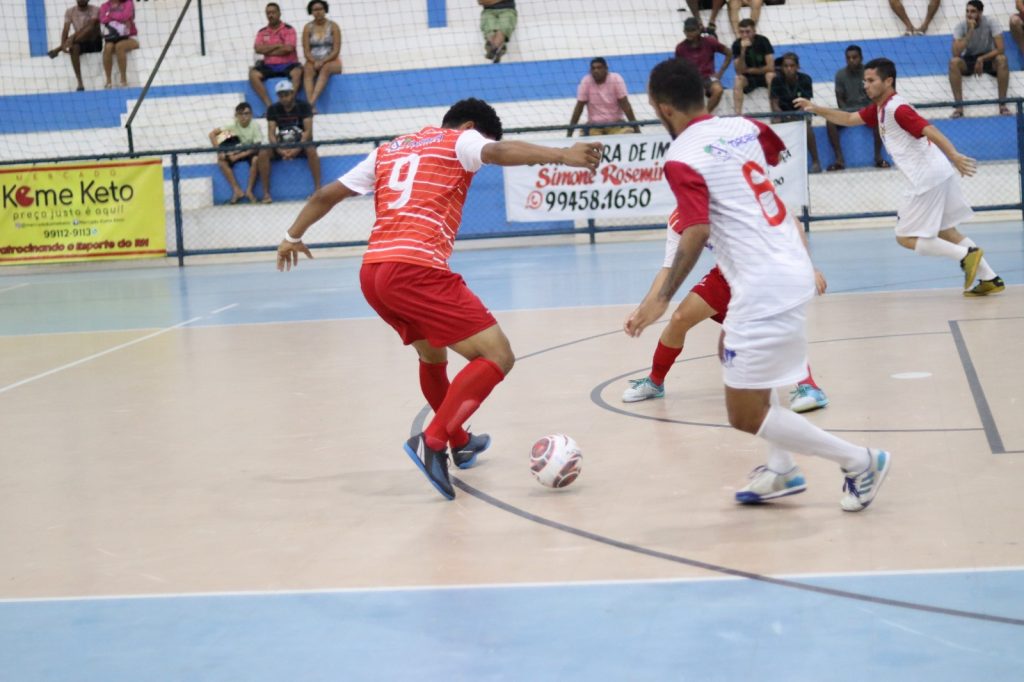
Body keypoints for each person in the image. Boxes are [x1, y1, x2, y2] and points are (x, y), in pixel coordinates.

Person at [276, 98, 602, 500]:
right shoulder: (461, 140)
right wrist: (563, 155)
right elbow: (499, 151)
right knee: (497, 355)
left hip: (373, 273)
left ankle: (460, 441)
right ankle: (432, 441)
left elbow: (326, 194)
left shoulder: (389, 149)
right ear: (470, 127)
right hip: (415, 270)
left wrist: (291, 236)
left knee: (432, 355)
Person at [627, 58, 891, 512]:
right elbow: (770, 152)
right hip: (787, 262)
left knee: (744, 414)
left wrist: (661, 299)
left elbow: (696, 230)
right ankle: (781, 467)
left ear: (663, 108)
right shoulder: (744, 125)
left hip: (763, 281)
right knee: (733, 352)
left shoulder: (680, 157)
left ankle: (861, 461)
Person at [796, 58, 1005, 296]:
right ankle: (990, 278)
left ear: (888, 81)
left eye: (871, 80)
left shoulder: (896, 108)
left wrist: (954, 155)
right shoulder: (879, 109)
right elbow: (849, 119)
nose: (866, 85)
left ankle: (966, 255)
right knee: (947, 232)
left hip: (927, 178)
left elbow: (930, 129)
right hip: (938, 173)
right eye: (865, 81)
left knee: (905, 237)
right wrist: (816, 108)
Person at [622, 209, 830, 414]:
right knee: (679, 318)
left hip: (763, 274)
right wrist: (644, 308)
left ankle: (810, 387)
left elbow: (789, 219)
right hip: (726, 277)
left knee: (774, 331)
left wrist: (806, 266)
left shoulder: (733, 200)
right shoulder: (679, 220)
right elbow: (669, 269)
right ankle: (655, 382)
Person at [827, 45, 888, 171]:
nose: (851, 60)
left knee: (879, 117)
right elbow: (840, 98)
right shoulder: (840, 75)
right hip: (848, 111)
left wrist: (867, 110)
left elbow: (875, 96)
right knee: (830, 120)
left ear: (861, 58)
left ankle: (878, 157)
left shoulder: (870, 74)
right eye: (848, 58)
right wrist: (848, 114)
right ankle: (839, 159)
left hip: (867, 110)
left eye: (854, 57)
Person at [259, 81, 320, 202]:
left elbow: (308, 132)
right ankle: (266, 193)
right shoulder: (273, 109)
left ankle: (318, 190)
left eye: (286, 94)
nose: (284, 98)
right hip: (282, 143)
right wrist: (279, 150)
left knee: (311, 150)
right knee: (263, 153)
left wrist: (296, 149)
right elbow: (271, 133)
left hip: (301, 143)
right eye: (281, 95)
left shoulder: (304, 106)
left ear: (292, 93)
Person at [949, 0, 1010, 117]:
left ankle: (1002, 105)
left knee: (1002, 59)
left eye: (973, 11)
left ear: (981, 12)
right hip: (969, 59)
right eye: (967, 11)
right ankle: (959, 107)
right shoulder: (960, 26)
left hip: (988, 57)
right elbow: (955, 53)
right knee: (953, 63)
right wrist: (970, 31)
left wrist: (981, 58)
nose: (969, 14)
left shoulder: (991, 22)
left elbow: (1001, 49)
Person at [769, 52, 821, 174]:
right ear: (782, 67)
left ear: (797, 67)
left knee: (806, 128)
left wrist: (794, 116)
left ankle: (816, 162)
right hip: (782, 114)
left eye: (792, 66)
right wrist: (783, 115)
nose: (789, 69)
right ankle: (776, 165)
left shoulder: (805, 79)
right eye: (786, 66)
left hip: (800, 113)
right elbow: (774, 104)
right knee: (774, 124)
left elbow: (806, 103)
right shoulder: (776, 80)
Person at [567, 58, 641, 136]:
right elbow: (579, 108)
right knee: (592, 140)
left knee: (628, 134)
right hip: (594, 126)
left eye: (599, 68)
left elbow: (625, 105)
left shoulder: (616, 79)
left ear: (606, 69)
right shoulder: (586, 81)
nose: (596, 71)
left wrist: (637, 129)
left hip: (615, 124)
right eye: (593, 68)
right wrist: (569, 133)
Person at [209, 102, 265, 204]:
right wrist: (219, 151)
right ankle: (237, 190)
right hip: (237, 149)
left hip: (250, 151)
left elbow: (256, 147)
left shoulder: (255, 125)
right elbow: (212, 134)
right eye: (240, 114)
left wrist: (238, 156)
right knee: (221, 161)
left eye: (246, 113)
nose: (243, 117)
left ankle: (249, 191)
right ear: (236, 116)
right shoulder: (232, 125)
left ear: (251, 115)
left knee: (256, 159)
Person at [250, 2, 303, 108]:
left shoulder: (289, 29)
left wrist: (267, 50)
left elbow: (288, 49)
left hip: (288, 64)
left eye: (273, 12)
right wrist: (278, 45)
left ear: (279, 13)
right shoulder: (262, 32)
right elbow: (258, 49)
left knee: (297, 72)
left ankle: (290, 103)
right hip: (269, 66)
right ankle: (269, 106)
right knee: (253, 74)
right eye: (268, 13)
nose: (271, 15)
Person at [675, 17, 732, 113]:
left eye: (692, 30)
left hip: (708, 77)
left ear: (699, 30)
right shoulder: (680, 48)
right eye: (687, 30)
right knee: (697, 93)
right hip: (692, 79)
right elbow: (678, 68)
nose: (689, 33)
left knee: (718, 90)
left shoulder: (709, 42)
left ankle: (706, 114)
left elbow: (729, 53)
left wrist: (720, 72)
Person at [48, 0, 102, 92]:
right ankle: (80, 82)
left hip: (94, 42)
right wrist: (63, 43)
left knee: (91, 27)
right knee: (74, 48)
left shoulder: (95, 9)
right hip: (80, 41)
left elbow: (92, 26)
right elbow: (66, 29)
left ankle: (58, 49)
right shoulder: (70, 11)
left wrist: (66, 43)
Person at [302, 0, 342, 113]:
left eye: (320, 9)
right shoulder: (307, 28)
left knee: (326, 68)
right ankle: (312, 108)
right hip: (313, 60)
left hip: (332, 60)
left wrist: (323, 61)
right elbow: (306, 51)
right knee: (307, 69)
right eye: (315, 10)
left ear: (325, 10)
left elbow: (336, 50)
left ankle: (310, 103)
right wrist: (314, 61)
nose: (318, 12)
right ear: (311, 12)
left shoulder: (334, 26)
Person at [731, 18, 775, 115]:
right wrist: (743, 50)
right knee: (738, 79)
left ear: (754, 31)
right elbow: (739, 71)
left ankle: (774, 113)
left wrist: (749, 70)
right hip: (748, 79)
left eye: (748, 32)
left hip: (763, 76)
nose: (744, 35)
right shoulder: (737, 44)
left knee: (770, 76)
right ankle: (737, 115)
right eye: (741, 32)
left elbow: (771, 67)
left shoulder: (763, 41)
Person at [98, 0, 138, 88]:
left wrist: (110, 15)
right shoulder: (104, 6)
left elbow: (126, 16)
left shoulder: (128, 2)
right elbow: (103, 19)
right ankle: (108, 81)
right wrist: (119, 18)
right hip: (112, 37)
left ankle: (123, 79)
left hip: (129, 36)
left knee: (119, 46)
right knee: (108, 47)